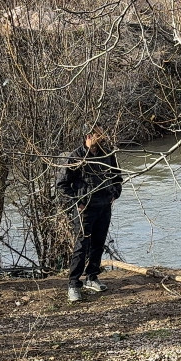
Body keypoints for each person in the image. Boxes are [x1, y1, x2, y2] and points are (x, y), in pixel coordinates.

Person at [56, 125, 123, 302]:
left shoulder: (108, 154)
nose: (102, 137)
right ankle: (73, 284)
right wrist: (77, 203)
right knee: (81, 245)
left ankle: (92, 277)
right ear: (88, 136)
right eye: (98, 134)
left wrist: (114, 193)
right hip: (84, 209)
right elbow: (62, 185)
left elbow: (117, 177)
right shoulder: (76, 156)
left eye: (102, 133)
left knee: (98, 243)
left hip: (104, 206)